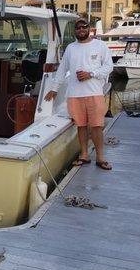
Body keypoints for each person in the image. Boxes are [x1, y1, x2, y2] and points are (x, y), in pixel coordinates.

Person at [45, 18, 114, 170]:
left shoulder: (100, 45)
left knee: (96, 126)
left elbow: (109, 67)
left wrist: (91, 74)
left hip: (94, 93)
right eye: (77, 28)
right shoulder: (70, 48)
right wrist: (54, 89)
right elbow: (62, 70)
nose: (81, 30)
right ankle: (84, 155)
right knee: (81, 126)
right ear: (75, 31)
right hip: (74, 95)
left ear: (89, 28)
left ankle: (101, 158)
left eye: (84, 27)